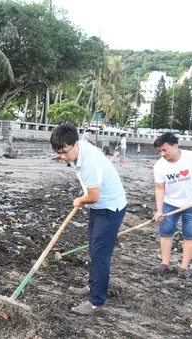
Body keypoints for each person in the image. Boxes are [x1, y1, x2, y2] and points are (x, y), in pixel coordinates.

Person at [50, 123, 127, 316]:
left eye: (65, 152)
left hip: (109, 208)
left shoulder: (89, 163)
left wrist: (80, 199)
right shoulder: (81, 148)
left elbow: (94, 196)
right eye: (58, 152)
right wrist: (86, 198)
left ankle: (95, 301)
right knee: (94, 249)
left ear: (75, 144)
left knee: (100, 255)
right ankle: (93, 286)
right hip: (99, 207)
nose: (62, 157)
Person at [152, 133, 192, 279]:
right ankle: (164, 264)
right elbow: (160, 188)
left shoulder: (190, 158)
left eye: (165, 150)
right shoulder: (159, 166)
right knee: (166, 232)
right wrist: (159, 210)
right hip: (170, 203)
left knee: (189, 235)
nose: (162, 154)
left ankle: (184, 267)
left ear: (175, 146)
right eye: (159, 151)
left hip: (190, 204)